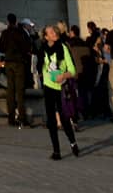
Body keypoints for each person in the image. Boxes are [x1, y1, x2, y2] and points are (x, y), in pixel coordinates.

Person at [41, 22, 79, 160]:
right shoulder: (43, 50)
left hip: (61, 87)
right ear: (46, 37)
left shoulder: (63, 48)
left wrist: (63, 75)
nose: (54, 34)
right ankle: (56, 151)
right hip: (48, 86)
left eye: (54, 32)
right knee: (51, 120)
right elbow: (42, 67)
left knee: (64, 118)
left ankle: (73, 142)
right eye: (51, 33)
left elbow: (73, 70)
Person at [0, 11, 31, 126]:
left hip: (9, 62)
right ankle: (22, 117)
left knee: (10, 90)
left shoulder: (5, 33)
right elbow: (27, 47)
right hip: (19, 63)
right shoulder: (20, 33)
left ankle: (11, 118)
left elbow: (1, 48)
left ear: (7, 21)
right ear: (16, 21)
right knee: (20, 91)